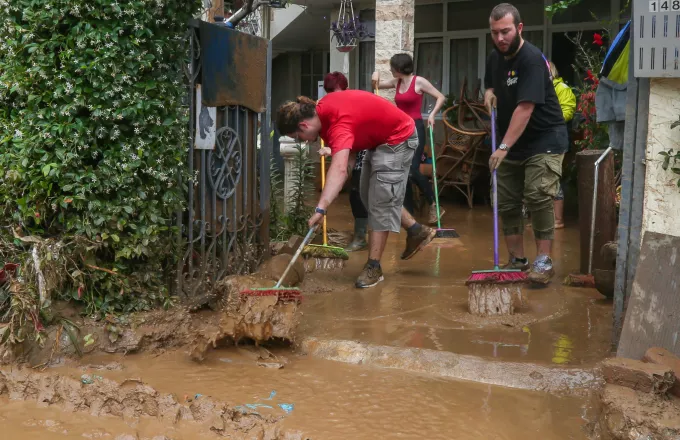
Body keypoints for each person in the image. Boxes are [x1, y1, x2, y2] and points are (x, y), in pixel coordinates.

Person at [276, 92, 437, 288]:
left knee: (380, 200)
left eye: (299, 138)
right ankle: (416, 230)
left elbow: (340, 169)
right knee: (366, 193)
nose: (305, 142)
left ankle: (374, 267)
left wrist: (321, 208)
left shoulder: (337, 123)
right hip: (377, 140)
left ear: (303, 125)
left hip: (398, 138)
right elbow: (348, 158)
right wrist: (335, 186)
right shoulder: (323, 112)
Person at [483, 3, 568, 284]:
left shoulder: (531, 59)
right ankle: (517, 261)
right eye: (495, 33)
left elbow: (525, 108)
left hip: (544, 138)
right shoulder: (495, 57)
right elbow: (492, 84)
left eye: (505, 31)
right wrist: (489, 92)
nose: (500, 38)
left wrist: (502, 147)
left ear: (519, 28)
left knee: (537, 194)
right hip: (512, 138)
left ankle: (543, 262)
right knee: (506, 201)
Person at [371, 54, 446, 225]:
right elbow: (376, 86)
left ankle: (434, 204)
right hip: (401, 129)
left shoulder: (418, 81)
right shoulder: (395, 82)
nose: (390, 70)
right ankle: (409, 213)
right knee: (402, 171)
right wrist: (374, 76)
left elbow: (441, 97)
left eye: (392, 67)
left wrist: (433, 115)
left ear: (399, 68)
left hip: (416, 128)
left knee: (412, 169)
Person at [321, 71, 368, 252]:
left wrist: (332, 150)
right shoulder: (331, 107)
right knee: (356, 194)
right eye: (330, 92)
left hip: (367, 150)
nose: (334, 96)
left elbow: (353, 136)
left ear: (345, 89)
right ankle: (361, 235)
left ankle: (361, 238)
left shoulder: (354, 104)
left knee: (360, 194)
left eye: (337, 92)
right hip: (352, 152)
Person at [548, 61, 576, 230]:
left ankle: (558, 220)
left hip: (556, 139)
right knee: (544, 179)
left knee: (553, 176)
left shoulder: (562, 88)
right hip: (543, 139)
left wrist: (547, 120)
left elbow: (568, 111)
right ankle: (547, 219)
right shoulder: (542, 89)